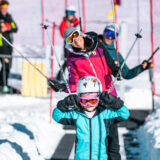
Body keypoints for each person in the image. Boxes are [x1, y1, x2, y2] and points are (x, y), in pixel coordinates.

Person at [49, 26, 122, 160]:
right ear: (68, 42)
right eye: (70, 39)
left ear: (80, 33)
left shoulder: (98, 46)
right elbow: (74, 83)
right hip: (90, 101)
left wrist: (116, 71)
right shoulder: (72, 57)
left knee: (112, 141)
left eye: (75, 35)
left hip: (108, 95)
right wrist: (61, 87)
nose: (75, 40)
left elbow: (111, 64)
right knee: (90, 139)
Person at [52, 76, 130, 160]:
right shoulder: (77, 115)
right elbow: (57, 116)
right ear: (79, 99)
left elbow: (125, 114)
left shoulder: (105, 115)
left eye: (93, 101)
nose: (88, 105)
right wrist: (64, 104)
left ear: (99, 99)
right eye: (84, 101)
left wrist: (114, 102)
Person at [56, 5, 80, 81]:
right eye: (68, 12)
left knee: (77, 61)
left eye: (72, 13)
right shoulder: (63, 23)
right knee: (67, 61)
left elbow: (82, 32)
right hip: (68, 45)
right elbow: (63, 35)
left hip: (78, 44)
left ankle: (76, 77)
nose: (70, 15)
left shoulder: (77, 22)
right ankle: (59, 77)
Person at [0, 0, 18, 92]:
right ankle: (3, 84)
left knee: (7, 66)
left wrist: (8, 27)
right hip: (1, 46)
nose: (4, 10)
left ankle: (3, 84)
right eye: (3, 8)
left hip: (7, 46)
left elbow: (15, 28)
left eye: (6, 8)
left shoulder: (8, 17)